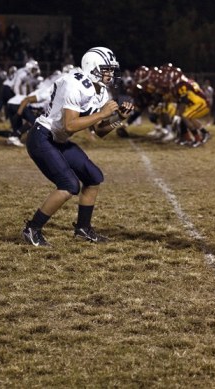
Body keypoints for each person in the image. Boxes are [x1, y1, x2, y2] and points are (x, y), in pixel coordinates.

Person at [22, 47, 133, 247]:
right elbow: (70, 125)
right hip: (42, 137)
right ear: (93, 67)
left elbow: (99, 130)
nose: (110, 74)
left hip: (58, 140)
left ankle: (82, 229)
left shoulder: (100, 91)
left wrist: (119, 119)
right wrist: (102, 113)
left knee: (93, 177)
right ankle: (32, 229)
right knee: (69, 185)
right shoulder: (74, 84)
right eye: (106, 69)